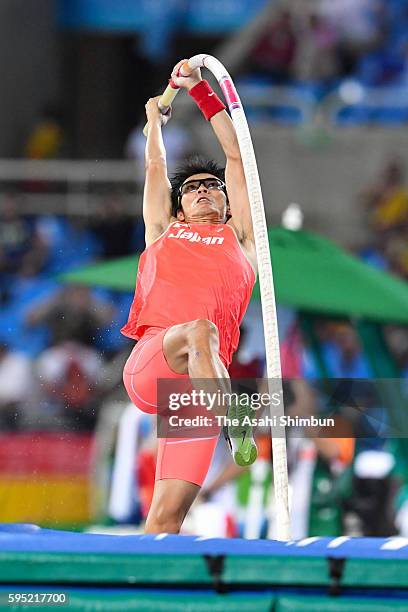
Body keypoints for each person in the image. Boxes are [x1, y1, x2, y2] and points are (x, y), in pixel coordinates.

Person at [121, 59, 258, 534]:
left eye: (212, 187)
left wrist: (201, 91)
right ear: (179, 205)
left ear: (225, 202)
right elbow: (155, 165)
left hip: (198, 392)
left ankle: (140, 597)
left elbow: (238, 158)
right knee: (201, 329)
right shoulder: (162, 231)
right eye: (193, 188)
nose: (203, 192)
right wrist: (154, 124)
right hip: (154, 362)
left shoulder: (243, 240)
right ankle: (235, 422)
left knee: (167, 516)